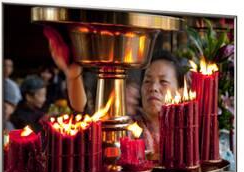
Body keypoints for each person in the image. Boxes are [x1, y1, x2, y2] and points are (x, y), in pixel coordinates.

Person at [43, 28, 183, 163]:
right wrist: (73, 76)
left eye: (163, 82)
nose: (153, 88)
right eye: (147, 81)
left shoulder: (186, 134)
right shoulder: (129, 129)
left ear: (180, 91)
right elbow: (84, 116)